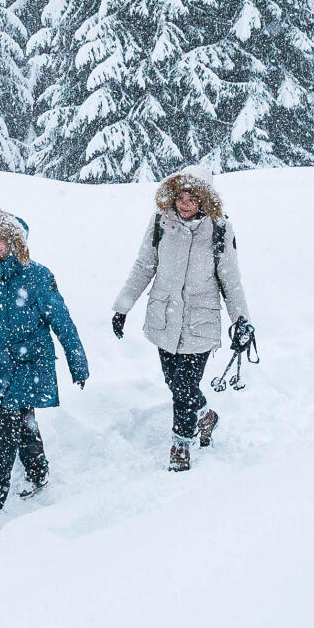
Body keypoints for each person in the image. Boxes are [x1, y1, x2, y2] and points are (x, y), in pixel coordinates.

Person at [0, 206, 89, 527]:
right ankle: (38, 471)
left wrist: (77, 360)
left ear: (17, 242)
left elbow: (61, 320)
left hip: (32, 359)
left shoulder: (37, 275)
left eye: (3, 239)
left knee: (5, 429)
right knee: (21, 419)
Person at [111, 167, 251, 472]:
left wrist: (241, 321)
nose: (184, 203)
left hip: (200, 322)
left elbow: (230, 279)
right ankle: (205, 416)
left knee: (185, 385)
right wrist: (123, 306)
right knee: (175, 383)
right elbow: (144, 266)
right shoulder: (161, 222)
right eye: (180, 197)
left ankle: (181, 445)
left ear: (204, 200)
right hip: (165, 318)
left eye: (192, 198)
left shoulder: (219, 229)